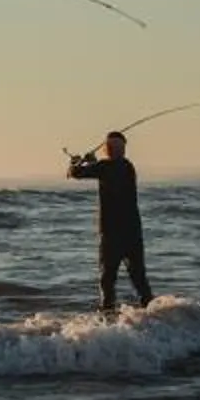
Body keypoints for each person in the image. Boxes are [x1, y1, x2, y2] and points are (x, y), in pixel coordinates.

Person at [67, 130, 152, 317]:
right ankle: (152, 318)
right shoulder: (128, 167)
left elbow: (74, 173)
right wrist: (91, 162)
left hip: (111, 234)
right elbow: (100, 170)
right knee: (139, 280)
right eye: (113, 146)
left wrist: (77, 161)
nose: (113, 149)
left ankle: (108, 318)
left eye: (114, 146)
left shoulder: (105, 167)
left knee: (107, 280)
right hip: (132, 232)